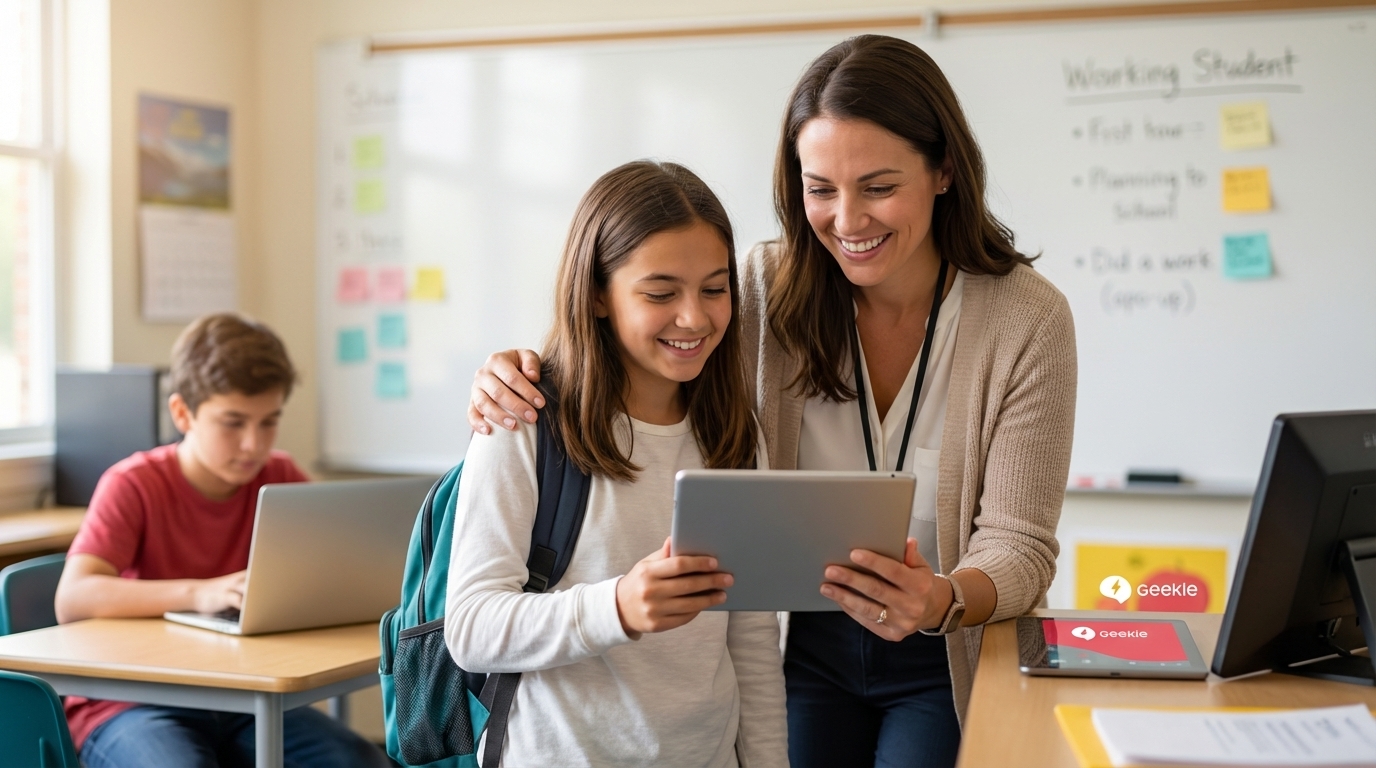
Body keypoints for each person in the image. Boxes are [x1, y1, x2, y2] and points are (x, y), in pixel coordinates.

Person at [466, 35, 1076, 767]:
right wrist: (521, 367)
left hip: (940, 647)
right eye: (820, 189)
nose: (847, 221)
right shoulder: (755, 288)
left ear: (944, 169)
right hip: (802, 645)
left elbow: (1020, 544)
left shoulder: (1025, 319)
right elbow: (642, 325)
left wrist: (940, 599)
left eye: (878, 186)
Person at [446, 160, 787, 767]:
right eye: (660, 293)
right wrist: (618, 608)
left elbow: (751, 643)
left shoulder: (734, 435)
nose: (696, 318)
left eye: (714, 288)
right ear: (598, 295)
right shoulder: (525, 421)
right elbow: (471, 629)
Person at [53, 314, 390, 768]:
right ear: (182, 413)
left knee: (355, 761)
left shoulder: (280, 476)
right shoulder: (133, 484)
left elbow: (336, 564)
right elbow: (73, 598)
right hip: (133, 703)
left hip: (241, 695)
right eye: (232, 423)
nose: (253, 444)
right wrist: (200, 592)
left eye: (269, 422)